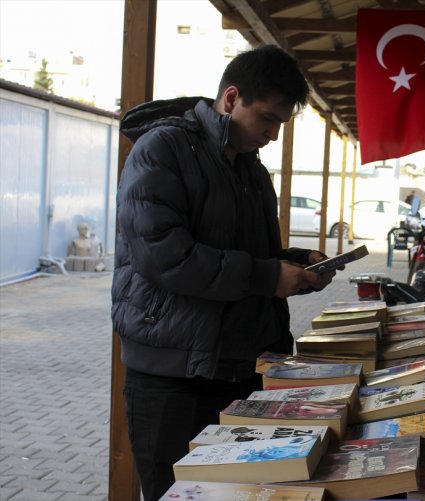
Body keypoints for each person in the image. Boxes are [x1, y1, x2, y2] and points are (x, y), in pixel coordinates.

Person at [112, 45, 337, 500]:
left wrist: (292, 264)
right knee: (175, 493)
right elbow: (164, 255)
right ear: (231, 98)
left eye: (281, 124)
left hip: (241, 368)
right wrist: (266, 276)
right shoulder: (163, 148)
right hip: (173, 375)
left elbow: (246, 253)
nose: (273, 135)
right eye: (268, 120)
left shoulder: (250, 168)